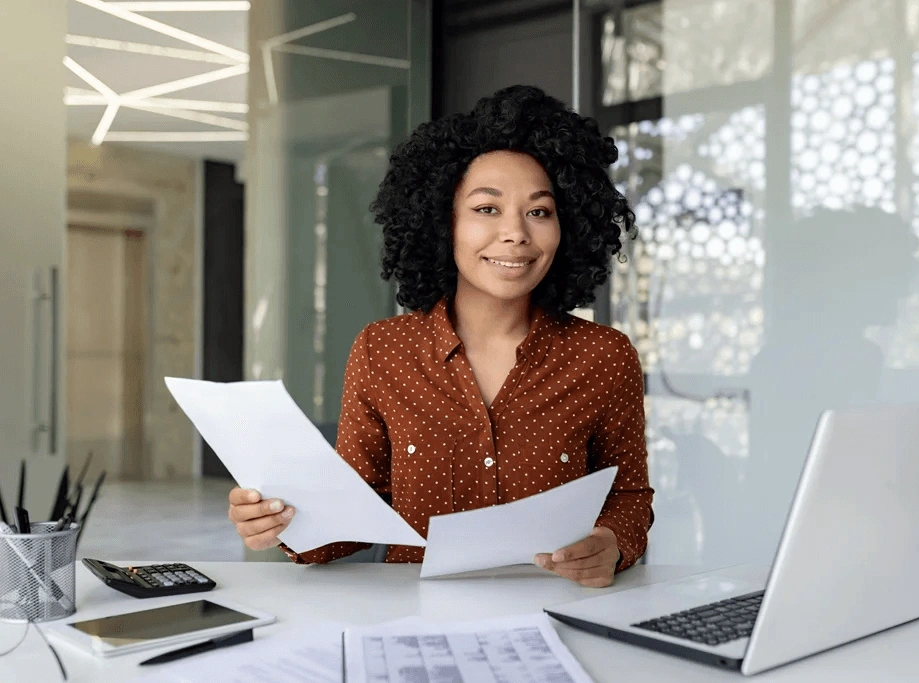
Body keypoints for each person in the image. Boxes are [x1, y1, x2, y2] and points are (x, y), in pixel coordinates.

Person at [227, 85, 654, 587]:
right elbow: (356, 512)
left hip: (558, 615)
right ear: (442, 221)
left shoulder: (604, 356)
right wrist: (281, 522)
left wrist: (613, 544)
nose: (516, 233)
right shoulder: (381, 351)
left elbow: (628, 497)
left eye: (539, 211)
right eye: (487, 209)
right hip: (417, 630)